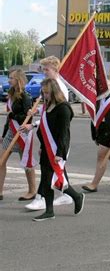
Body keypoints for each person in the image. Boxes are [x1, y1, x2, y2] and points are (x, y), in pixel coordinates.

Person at [20, 78, 84, 221]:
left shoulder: (63, 108)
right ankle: (50, 211)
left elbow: (63, 134)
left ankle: (76, 196)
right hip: (47, 148)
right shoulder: (47, 105)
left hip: (57, 149)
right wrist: (42, 147)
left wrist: (59, 154)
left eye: (47, 93)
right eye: (43, 93)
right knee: (47, 179)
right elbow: (43, 128)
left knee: (55, 179)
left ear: (54, 92)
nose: (45, 96)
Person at [26, 56, 73, 210]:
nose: (44, 72)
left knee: (48, 169)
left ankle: (41, 198)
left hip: (56, 136)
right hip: (48, 133)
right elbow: (48, 109)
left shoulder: (59, 88)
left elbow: (58, 114)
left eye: (47, 69)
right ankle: (68, 195)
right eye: (43, 69)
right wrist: (37, 111)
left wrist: (35, 124)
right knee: (56, 168)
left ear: (55, 69)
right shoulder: (48, 85)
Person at [82, 80, 110, 192]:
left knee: (101, 156)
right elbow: (94, 118)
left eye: (105, 86)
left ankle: (94, 184)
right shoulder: (97, 100)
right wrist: (94, 135)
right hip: (100, 132)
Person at [0, 70, 35, 201]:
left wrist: (13, 116)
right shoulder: (11, 94)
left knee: (27, 162)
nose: (9, 80)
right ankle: (0, 191)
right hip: (10, 132)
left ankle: (32, 191)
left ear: (18, 80)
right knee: (1, 161)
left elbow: (28, 118)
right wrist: (3, 135)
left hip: (22, 133)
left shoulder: (25, 96)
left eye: (11, 78)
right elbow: (9, 118)